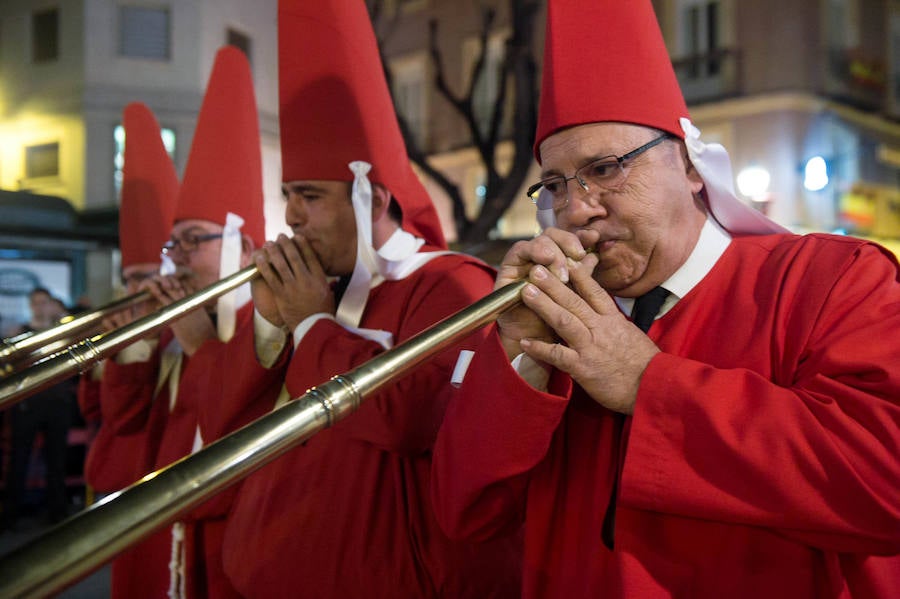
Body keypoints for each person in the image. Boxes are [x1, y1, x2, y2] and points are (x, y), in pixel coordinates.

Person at [430, 1, 900, 597]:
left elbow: (885, 482)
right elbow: (465, 513)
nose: (576, 209)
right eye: (554, 185)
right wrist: (519, 360)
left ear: (692, 166)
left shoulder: (830, 278)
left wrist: (646, 383)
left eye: (605, 169)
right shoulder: (556, 320)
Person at [218, 1, 521, 597]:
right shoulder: (317, 287)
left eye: (309, 195)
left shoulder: (451, 283)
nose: (290, 216)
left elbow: (413, 421)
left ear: (372, 200)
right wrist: (273, 329)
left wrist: (311, 325)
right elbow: (226, 425)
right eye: (287, 194)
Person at [96, 46, 266, 598]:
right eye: (177, 243)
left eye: (195, 241)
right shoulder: (180, 325)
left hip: (226, 551)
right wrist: (138, 350)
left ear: (242, 244)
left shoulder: (274, 325)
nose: (178, 259)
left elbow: (238, 460)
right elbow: (120, 456)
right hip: (158, 538)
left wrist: (199, 348)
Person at [2, 288, 76, 530]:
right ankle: (11, 513)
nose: (40, 307)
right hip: (28, 403)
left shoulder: (61, 332)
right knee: (19, 458)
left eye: (44, 302)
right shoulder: (20, 334)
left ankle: (57, 510)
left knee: (56, 459)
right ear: (31, 305)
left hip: (57, 403)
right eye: (36, 303)